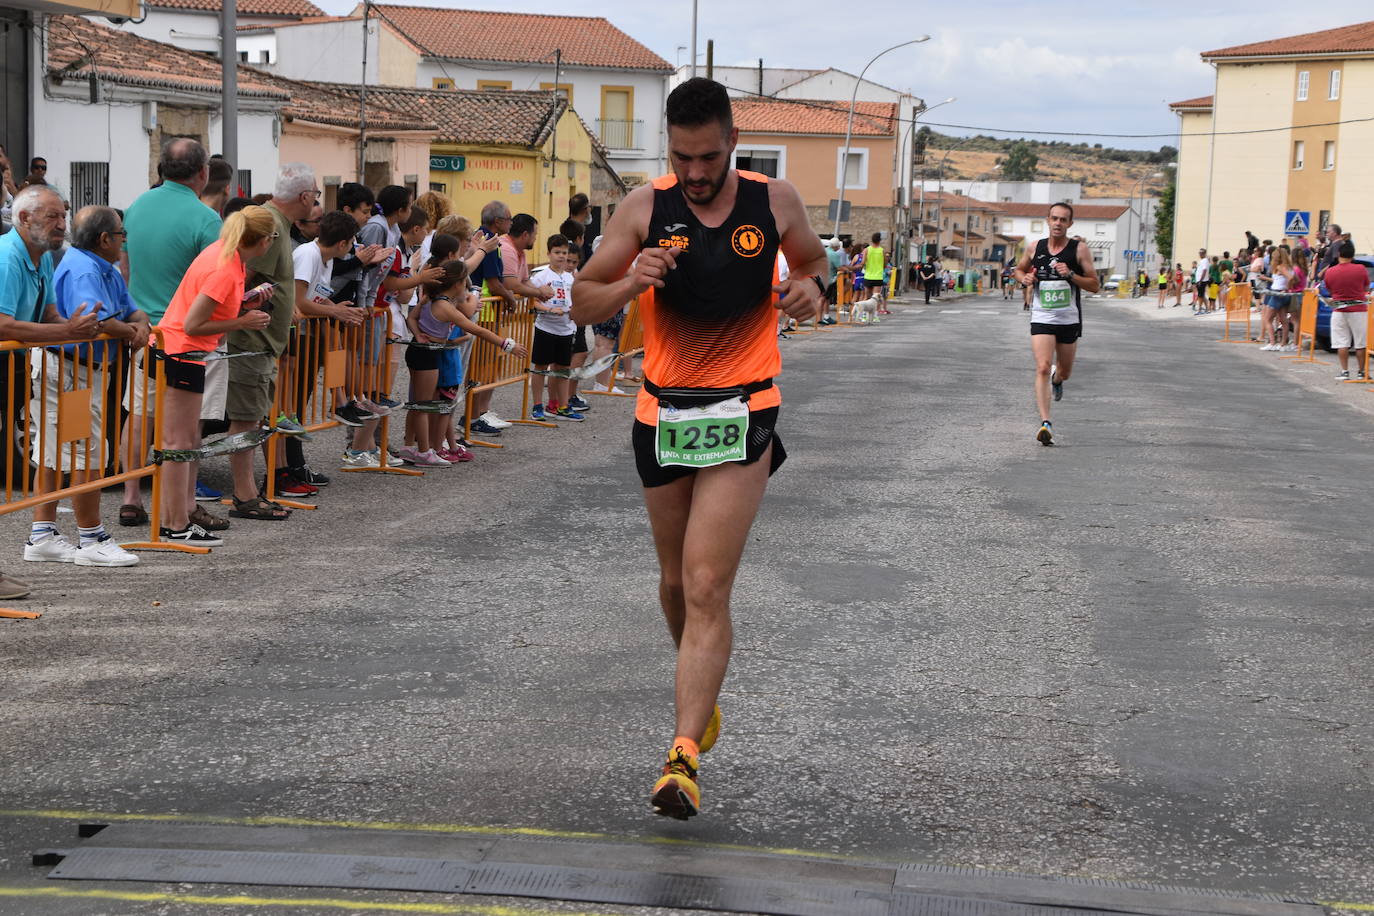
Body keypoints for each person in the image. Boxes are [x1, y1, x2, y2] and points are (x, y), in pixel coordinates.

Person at [571, 77, 827, 820]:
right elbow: (582, 295)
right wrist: (628, 285)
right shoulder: (644, 208)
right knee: (676, 586)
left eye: (708, 157)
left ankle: (681, 756)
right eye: (682, 158)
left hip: (745, 408)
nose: (695, 173)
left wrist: (814, 289)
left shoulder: (774, 202)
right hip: (664, 414)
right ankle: (701, 691)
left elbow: (815, 265)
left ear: (732, 142)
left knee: (708, 581)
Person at [24, 206, 149, 568]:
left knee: (53, 454)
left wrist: (137, 325)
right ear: (105, 238)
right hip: (70, 370)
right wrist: (132, 331)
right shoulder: (83, 268)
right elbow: (102, 321)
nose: (125, 240)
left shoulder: (102, 267)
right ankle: (91, 537)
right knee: (84, 454)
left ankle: (42, 534)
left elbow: (130, 311)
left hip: (79, 370)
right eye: (122, 234)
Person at [0, 186, 101, 596]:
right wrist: (65, 331)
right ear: (24, 219)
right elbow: (3, 324)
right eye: (52, 217)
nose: (61, 225)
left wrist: (76, 323)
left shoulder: (39, 257)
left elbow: (46, 312)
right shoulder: (9, 258)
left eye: (63, 216)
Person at [154, 206, 275, 544]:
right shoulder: (225, 266)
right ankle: (174, 525)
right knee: (179, 444)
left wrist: (244, 307)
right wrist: (243, 321)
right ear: (264, 240)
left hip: (184, 352)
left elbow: (208, 310)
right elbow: (193, 323)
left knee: (185, 442)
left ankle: (177, 518)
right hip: (182, 352)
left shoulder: (225, 256)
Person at [119, 138, 223, 528]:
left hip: (143, 331)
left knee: (140, 416)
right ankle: (184, 504)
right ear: (203, 173)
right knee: (188, 426)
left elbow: (125, 270)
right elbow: (215, 285)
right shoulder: (205, 218)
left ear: (161, 170)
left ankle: (131, 497)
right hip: (189, 337)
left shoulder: (135, 208)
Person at [223, 163, 318, 519]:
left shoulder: (275, 224)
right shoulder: (268, 226)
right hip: (249, 340)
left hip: (261, 341)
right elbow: (239, 275)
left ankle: (250, 491)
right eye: (316, 196)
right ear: (305, 196)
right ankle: (244, 495)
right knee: (246, 419)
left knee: (255, 419)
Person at [1013, 202, 1099, 446]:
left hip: (1068, 319)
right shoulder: (1034, 247)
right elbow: (1018, 271)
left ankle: (1058, 380)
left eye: (1063, 219)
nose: (1058, 223)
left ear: (1070, 224)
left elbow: (1094, 285)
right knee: (1041, 366)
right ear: (1048, 220)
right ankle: (1045, 423)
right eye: (1054, 218)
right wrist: (1025, 278)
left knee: (1064, 371)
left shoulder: (1079, 249)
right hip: (1042, 317)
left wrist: (1070, 274)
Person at [527, 234, 582, 421]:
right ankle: (537, 406)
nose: (561, 256)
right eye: (557, 252)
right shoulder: (541, 276)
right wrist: (549, 308)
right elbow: (532, 302)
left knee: (563, 368)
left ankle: (563, 406)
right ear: (549, 253)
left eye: (564, 252)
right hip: (546, 328)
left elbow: (576, 301)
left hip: (566, 329)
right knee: (541, 367)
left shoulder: (571, 278)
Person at [1326, 241, 1369, 380]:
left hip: (1339, 310)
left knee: (1342, 342)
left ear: (1339, 254)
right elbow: (1366, 287)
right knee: (1360, 343)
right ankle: (1361, 372)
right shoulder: (1361, 269)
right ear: (1353, 255)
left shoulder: (1330, 271)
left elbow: (1329, 289)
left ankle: (1344, 371)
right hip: (1359, 310)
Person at [862, 233, 885, 307]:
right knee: (876, 298)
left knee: (867, 297)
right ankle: (875, 316)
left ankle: (864, 315)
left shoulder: (866, 250)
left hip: (868, 276)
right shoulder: (882, 251)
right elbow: (884, 264)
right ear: (879, 240)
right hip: (878, 276)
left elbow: (863, 263)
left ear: (872, 240)